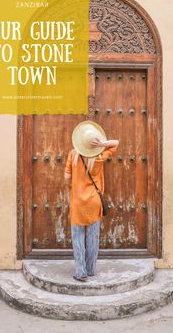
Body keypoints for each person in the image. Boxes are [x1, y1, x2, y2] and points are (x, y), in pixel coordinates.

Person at [64, 121, 119, 282]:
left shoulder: (73, 155)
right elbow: (116, 143)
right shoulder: (100, 156)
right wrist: (102, 144)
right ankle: (91, 269)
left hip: (77, 202)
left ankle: (81, 272)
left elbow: (67, 177)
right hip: (94, 201)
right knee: (93, 236)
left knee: (78, 237)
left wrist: (75, 186)